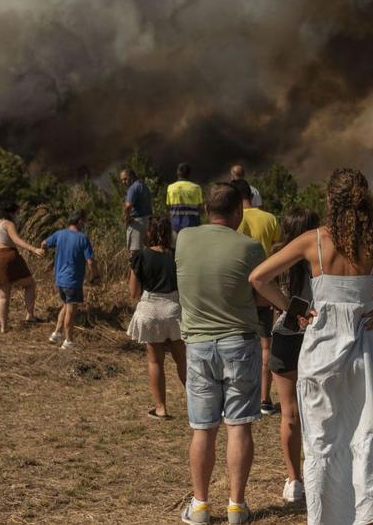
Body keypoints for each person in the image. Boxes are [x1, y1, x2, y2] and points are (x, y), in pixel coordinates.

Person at [249, 168, 373, 525]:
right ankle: (366, 516)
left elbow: (258, 277)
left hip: (321, 347)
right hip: (367, 344)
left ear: (330, 200)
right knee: (365, 429)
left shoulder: (313, 240)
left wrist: (295, 308)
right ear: (365, 199)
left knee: (322, 440)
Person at [176, 183, 289, 525]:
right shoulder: (250, 247)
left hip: (197, 345)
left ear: (207, 208)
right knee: (238, 426)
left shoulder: (183, 239)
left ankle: (199, 506)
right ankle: (236, 507)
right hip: (239, 343)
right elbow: (258, 295)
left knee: (202, 428)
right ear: (239, 212)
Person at [265, 208, 320, 504]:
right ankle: (319, 472)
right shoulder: (320, 257)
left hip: (285, 337)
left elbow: (259, 286)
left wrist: (286, 307)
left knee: (289, 413)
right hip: (319, 337)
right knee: (321, 410)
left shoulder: (280, 257)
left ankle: (294, 479)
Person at [126, 216, 186, 419]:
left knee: (155, 362)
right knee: (182, 359)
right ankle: (197, 403)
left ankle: (161, 408)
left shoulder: (140, 256)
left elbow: (133, 292)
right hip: (173, 308)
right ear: (169, 233)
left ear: (149, 232)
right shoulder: (177, 256)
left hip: (150, 309)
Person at [232, 178, 282, 416]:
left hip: (237, 288)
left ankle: (237, 396)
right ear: (251, 196)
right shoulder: (269, 218)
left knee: (236, 341)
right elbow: (277, 249)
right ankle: (264, 399)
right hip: (263, 286)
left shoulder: (232, 219)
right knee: (265, 344)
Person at [0, 203, 45, 333]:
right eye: (17, 213)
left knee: (3, 296)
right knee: (30, 284)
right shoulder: (8, 224)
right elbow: (17, 240)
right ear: (11, 213)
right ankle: (30, 315)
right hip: (8, 255)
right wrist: (33, 249)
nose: (18, 215)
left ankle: (4, 327)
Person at [43, 211, 96, 350]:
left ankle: (56, 333)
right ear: (79, 222)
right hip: (72, 280)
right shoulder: (83, 238)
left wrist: (47, 257)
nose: (85, 224)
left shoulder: (59, 234)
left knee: (66, 305)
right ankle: (69, 341)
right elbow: (90, 261)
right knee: (71, 311)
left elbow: (44, 244)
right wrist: (95, 275)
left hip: (60, 280)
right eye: (84, 221)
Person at [121, 168, 154, 252]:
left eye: (125, 179)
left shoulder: (133, 188)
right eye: (122, 180)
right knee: (145, 252)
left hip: (136, 224)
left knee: (134, 255)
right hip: (146, 222)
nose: (123, 182)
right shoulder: (144, 186)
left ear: (131, 176)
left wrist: (127, 218)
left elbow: (128, 206)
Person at [167, 162, 204, 235]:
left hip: (175, 226)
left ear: (177, 172)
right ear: (189, 173)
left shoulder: (170, 187)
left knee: (176, 246)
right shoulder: (196, 188)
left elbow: (169, 206)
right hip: (193, 226)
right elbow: (199, 207)